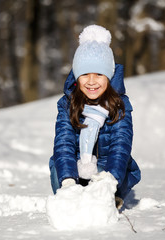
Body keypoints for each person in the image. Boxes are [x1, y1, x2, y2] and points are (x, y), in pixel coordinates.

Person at [49, 24, 141, 209]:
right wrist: (67, 179)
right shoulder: (67, 104)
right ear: (77, 77)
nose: (91, 81)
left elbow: (121, 144)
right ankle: (70, 196)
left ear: (109, 76)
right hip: (76, 167)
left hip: (107, 168)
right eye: (85, 74)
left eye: (99, 74)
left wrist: (109, 177)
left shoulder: (119, 105)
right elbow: (64, 142)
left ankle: (109, 197)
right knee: (57, 168)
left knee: (111, 173)